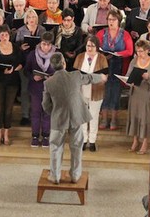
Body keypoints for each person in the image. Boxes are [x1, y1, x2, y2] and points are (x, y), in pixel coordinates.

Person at [42, 52, 105, 183]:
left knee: (55, 147)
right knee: (76, 147)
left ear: (52, 66)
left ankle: (55, 176)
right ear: (64, 63)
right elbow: (90, 78)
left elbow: (45, 105)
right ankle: (75, 175)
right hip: (76, 115)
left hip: (58, 118)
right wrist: (102, 77)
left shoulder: (48, 82)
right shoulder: (75, 76)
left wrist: (53, 112)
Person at [97, 9, 134, 130]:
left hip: (119, 65)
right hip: (104, 65)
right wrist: (103, 55)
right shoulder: (102, 33)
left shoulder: (125, 34)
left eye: (114, 20)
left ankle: (113, 119)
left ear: (119, 21)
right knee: (105, 92)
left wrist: (118, 53)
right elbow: (95, 48)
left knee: (116, 93)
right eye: (109, 19)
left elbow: (130, 51)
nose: (111, 22)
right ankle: (103, 118)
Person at [0, 24, 23, 146]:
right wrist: (2, 71)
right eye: (2, 35)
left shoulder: (15, 47)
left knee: (8, 110)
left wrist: (14, 69)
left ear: (9, 36)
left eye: (6, 35)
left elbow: (21, 63)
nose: (4, 37)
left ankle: (6, 134)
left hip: (12, 81)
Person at [74, 35, 109, 152]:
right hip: (82, 90)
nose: (89, 49)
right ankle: (83, 139)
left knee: (93, 116)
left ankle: (92, 140)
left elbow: (105, 76)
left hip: (96, 91)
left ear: (97, 47)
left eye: (92, 46)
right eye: (88, 46)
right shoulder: (79, 57)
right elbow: (74, 74)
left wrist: (100, 77)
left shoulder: (102, 58)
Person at [125, 40, 150, 154]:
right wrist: (128, 81)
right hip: (135, 92)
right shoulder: (134, 61)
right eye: (137, 51)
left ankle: (145, 142)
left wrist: (148, 77)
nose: (139, 53)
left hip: (146, 94)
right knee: (134, 116)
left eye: (141, 51)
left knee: (145, 118)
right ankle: (135, 140)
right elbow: (127, 76)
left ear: (147, 50)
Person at [26, 31, 57, 147]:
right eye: (44, 44)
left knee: (47, 113)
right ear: (40, 43)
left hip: (50, 89)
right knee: (35, 112)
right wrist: (33, 77)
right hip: (36, 88)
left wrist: (53, 77)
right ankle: (34, 136)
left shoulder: (56, 54)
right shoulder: (33, 54)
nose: (46, 47)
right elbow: (26, 70)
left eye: (49, 45)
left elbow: (61, 71)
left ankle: (45, 136)